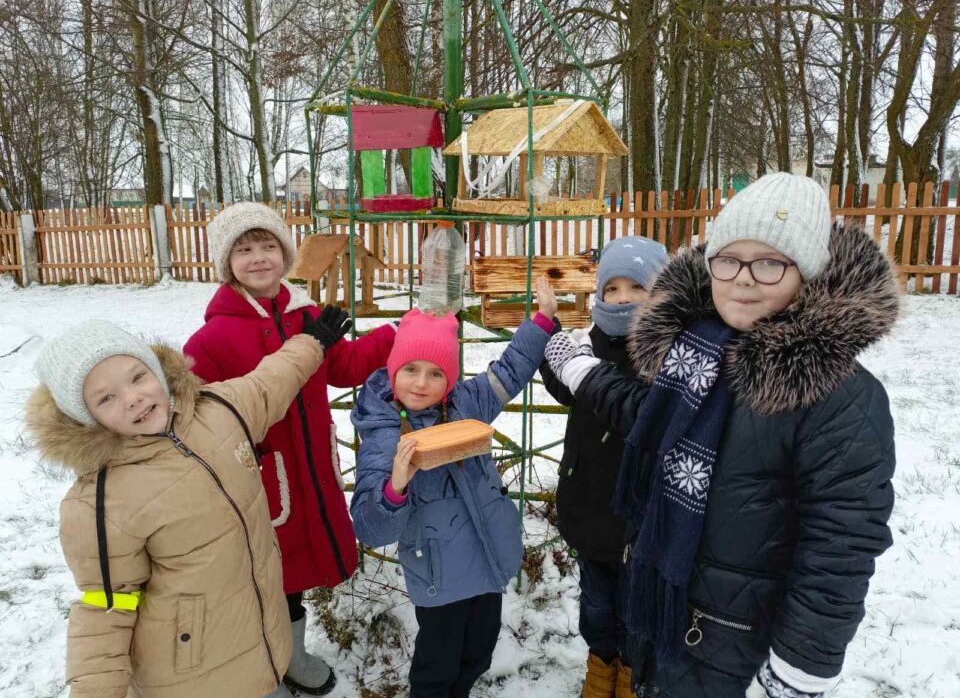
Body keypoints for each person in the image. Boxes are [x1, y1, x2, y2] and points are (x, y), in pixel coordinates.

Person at [543, 173, 899, 698]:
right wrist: (582, 371)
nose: (744, 279)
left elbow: (840, 547)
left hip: (741, 648)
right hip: (668, 623)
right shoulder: (697, 352)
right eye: (729, 259)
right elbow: (650, 418)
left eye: (770, 262)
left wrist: (796, 674)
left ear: (810, 271)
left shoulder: (840, 396)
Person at [26, 319, 335, 697]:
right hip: (191, 678)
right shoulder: (100, 502)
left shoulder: (219, 410)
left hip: (261, 637)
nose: (133, 398)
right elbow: (104, 610)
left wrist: (312, 342)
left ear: (155, 369)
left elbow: (270, 381)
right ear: (85, 417)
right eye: (106, 398)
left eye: (138, 376)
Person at [184, 202, 396, 695]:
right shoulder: (213, 336)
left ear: (285, 253)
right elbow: (196, 412)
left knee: (292, 574)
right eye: (244, 250)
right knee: (259, 577)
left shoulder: (306, 315)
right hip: (257, 478)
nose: (259, 258)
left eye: (268, 246)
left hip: (310, 473)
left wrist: (395, 335)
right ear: (226, 263)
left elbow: (341, 367)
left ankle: (292, 653)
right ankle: (263, 669)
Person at [349, 277, 558, 698]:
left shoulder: (467, 404)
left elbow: (510, 370)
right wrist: (395, 488)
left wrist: (541, 323)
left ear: (450, 378)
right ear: (394, 370)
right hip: (438, 576)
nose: (421, 383)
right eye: (410, 369)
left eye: (435, 372)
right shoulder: (385, 431)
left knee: (477, 656)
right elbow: (371, 529)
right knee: (435, 671)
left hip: (486, 559)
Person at [540, 236, 668, 698]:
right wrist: (549, 330)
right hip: (589, 505)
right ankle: (601, 664)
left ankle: (632, 674)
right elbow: (563, 385)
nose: (621, 298)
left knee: (637, 608)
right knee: (596, 604)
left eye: (636, 286)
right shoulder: (588, 342)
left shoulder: (666, 356)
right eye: (611, 289)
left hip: (641, 520)